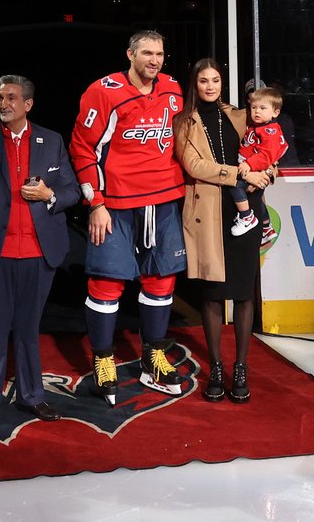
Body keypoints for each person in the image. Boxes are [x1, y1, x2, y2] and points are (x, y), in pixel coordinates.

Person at [69, 30, 188, 406]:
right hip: (116, 205)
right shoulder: (103, 91)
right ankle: (104, 359)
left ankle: (153, 355)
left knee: (161, 280)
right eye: (147, 53)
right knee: (107, 284)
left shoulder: (172, 88)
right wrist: (96, 203)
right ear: (130, 55)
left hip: (164, 200)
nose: (154, 60)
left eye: (160, 54)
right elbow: (82, 147)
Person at [0, 75, 80, 428]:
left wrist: (49, 196)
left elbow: (72, 191)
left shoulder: (52, 140)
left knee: (28, 328)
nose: (3, 103)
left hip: (40, 253)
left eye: (11, 97)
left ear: (28, 104)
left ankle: (32, 397)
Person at [175, 59, 274, 403]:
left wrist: (267, 173)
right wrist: (240, 174)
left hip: (245, 208)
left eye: (215, 80)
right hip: (208, 211)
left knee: (244, 292)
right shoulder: (184, 121)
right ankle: (216, 366)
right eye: (203, 81)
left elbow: (266, 148)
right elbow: (193, 165)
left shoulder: (237, 114)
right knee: (213, 293)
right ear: (195, 84)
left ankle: (241, 366)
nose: (210, 86)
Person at [230, 86, 288, 237]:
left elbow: (268, 155)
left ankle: (246, 217)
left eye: (263, 108)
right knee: (256, 200)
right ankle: (266, 226)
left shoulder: (271, 130)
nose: (257, 111)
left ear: (275, 112)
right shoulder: (256, 126)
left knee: (235, 185)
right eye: (254, 107)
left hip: (254, 171)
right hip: (248, 167)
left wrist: (249, 164)